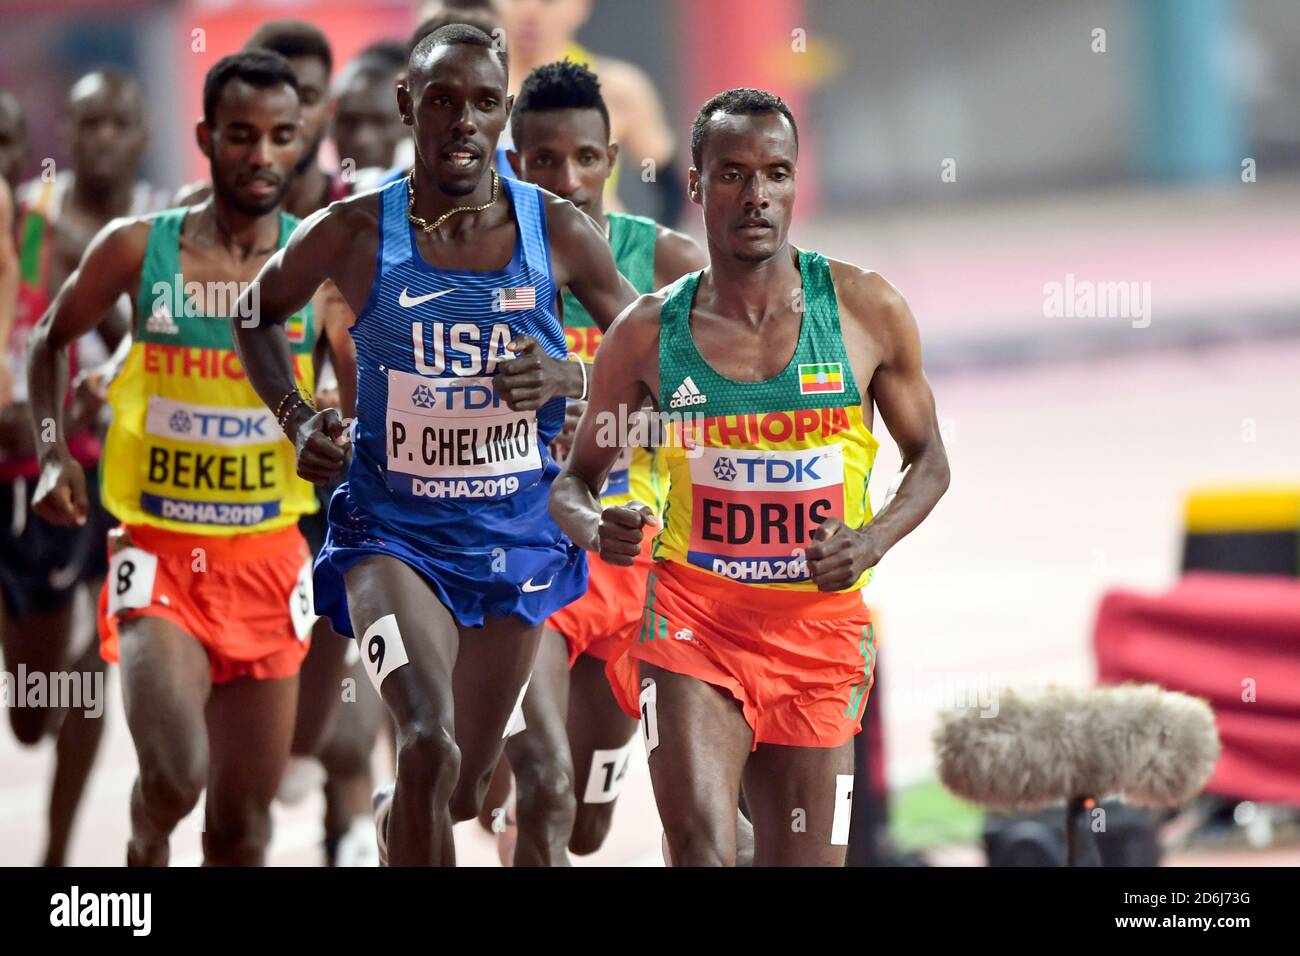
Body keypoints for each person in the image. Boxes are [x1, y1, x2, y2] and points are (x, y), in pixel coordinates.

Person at [230, 24, 636, 866]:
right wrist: (299, 416)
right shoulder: (352, 231)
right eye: (443, 101)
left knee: (462, 791)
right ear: (408, 104)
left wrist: (566, 380)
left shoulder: (554, 231)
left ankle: (395, 825)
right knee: (427, 742)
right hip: (391, 536)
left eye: (484, 103)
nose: (462, 122)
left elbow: (654, 356)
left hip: (514, 538)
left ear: (504, 115)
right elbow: (253, 314)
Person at [550, 88, 951, 866]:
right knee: (701, 849)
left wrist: (868, 543)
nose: (756, 195)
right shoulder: (643, 335)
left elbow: (930, 461)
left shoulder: (867, 310)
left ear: (797, 182)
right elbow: (573, 483)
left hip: (817, 636)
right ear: (695, 185)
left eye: (775, 173)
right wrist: (603, 527)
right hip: (694, 625)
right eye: (732, 174)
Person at [27, 50, 348, 866]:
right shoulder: (139, 248)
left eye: (283, 135)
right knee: (175, 775)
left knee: (242, 830)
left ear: (305, 136)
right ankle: (145, 843)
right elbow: (48, 342)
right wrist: (54, 454)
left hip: (273, 558)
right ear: (207, 136)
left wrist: (339, 426)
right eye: (241, 135)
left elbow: (362, 399)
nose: (263, 156)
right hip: (159, 553)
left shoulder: (322, 271)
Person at [499, 59, 704, 865]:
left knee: (584, 826)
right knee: (543, 788)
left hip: (632, 563)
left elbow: (721, 391)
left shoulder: (665, 262)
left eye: (586, 158)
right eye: (545, 161)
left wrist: (586, 384)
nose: (568, 178)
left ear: (611, 161)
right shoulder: (482, 264)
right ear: (514, 165)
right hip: (520, 557)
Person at [498, 0, 680, 220]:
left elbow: (668, 190)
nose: (530, 11)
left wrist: (640, 248)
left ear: (580, 6)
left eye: (548, 1)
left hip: (589, 245)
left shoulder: (615, 90)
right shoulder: (466, 88)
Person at [176, 21, 343, 217]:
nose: (291, 114)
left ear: (331, 109)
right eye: (271, 99)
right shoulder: (189, 216)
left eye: (306, 98)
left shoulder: (361, 212)